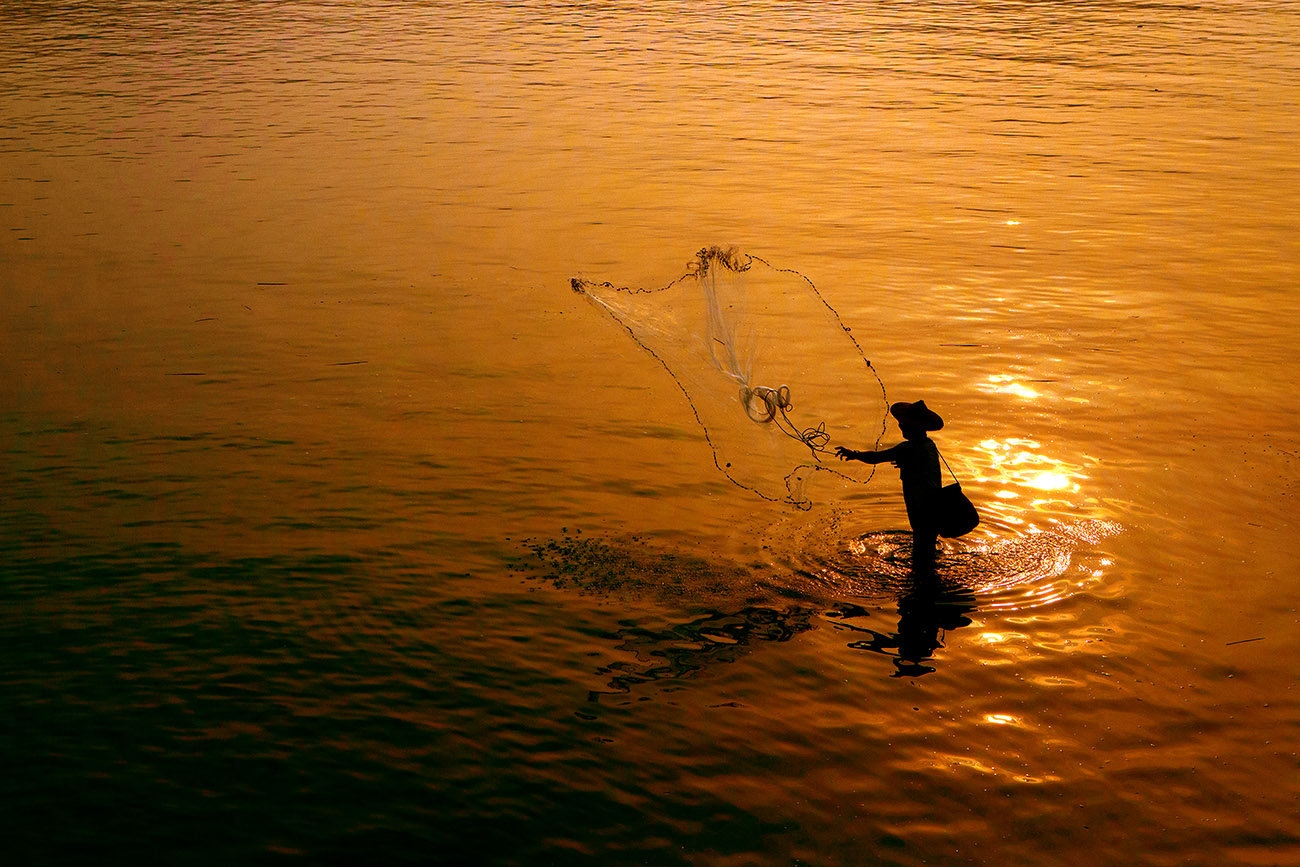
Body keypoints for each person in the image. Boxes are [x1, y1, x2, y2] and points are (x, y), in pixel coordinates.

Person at [835, 400, 944, 573]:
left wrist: (854, 454)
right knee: (926, 546)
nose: (901, 427)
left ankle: (922, 581)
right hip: (934, 506)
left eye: (904, 424)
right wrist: (907, 465)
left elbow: (876, 458)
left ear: (912, 427)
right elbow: (923, 467)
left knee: (921, 549)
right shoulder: (929, 445)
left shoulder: (908, 448)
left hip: (922, 507)